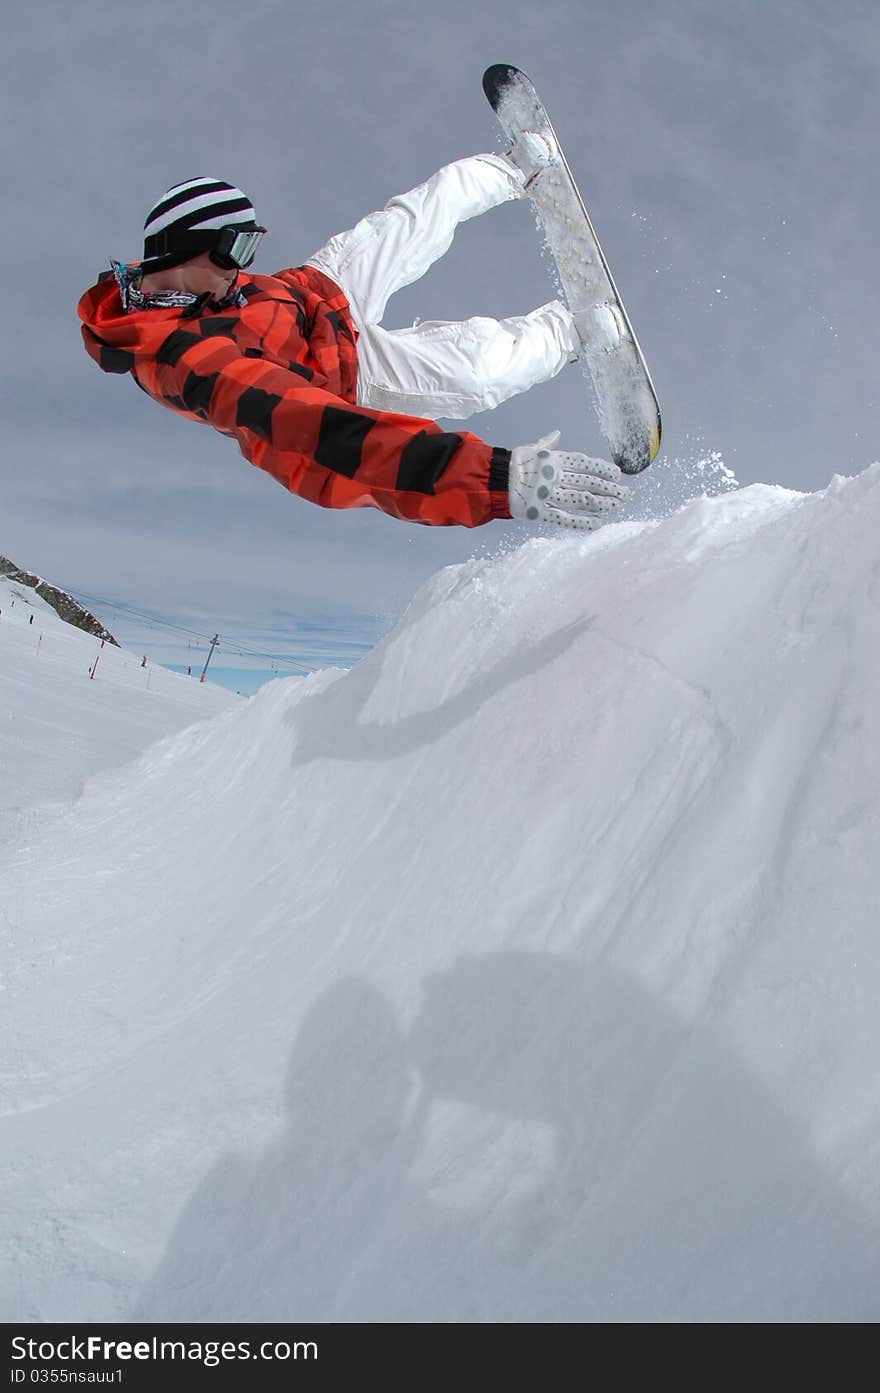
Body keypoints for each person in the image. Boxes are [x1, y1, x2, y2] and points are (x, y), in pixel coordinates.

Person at [77, 139, 629, 531]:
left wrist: (281, 281)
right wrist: (493, 477)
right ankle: (573, 331)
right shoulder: (182, 362)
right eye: (233, 249)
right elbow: (313, 428)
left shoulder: (207, 283)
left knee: (411, 223)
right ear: (181, 246)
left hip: (317, 288)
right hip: (343, 377)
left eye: (250, 248)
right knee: (474, 373)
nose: (242, 264)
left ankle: (514, 166)